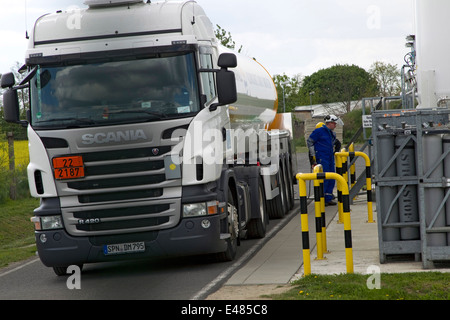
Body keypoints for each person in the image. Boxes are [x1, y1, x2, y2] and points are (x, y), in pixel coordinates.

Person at [307, 114, 343, 206]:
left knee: (331, 178)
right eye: (334, 123)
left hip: (329, 157)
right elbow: (310, 141)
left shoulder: (331, 133)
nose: (335, 125)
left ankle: (328, 197)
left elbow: (334, 143)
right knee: (324, 178)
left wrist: (336, 151)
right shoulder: (319, 131)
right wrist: (313, 158)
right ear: (329, 123)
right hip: (322, 158)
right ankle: (322, 199)